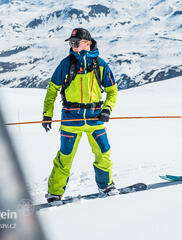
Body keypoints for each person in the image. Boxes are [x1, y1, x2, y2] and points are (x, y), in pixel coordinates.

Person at [42, 28, 119, 202]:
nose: (73, 46)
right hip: (71, 119)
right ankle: (54, 193)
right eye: (71, 43)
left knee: (104, 153)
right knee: (65, 157)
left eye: (76, 43)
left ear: (88, 43)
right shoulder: (66, 64)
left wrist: (107, 109)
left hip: (95, 118)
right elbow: (52, 89)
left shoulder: (100, 64)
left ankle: (106, 186)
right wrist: (47, 115)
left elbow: (112, 91)